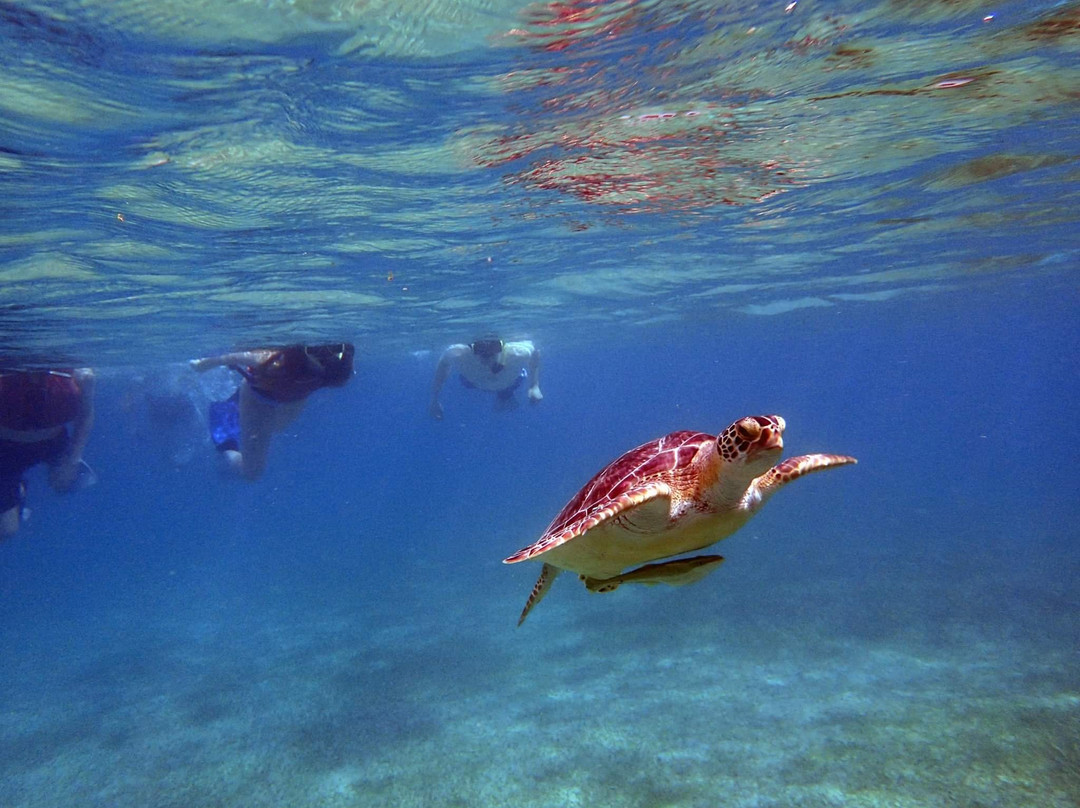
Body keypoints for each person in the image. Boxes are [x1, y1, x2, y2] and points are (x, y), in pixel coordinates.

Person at [189, 343, 354, 480]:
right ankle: (227, 447)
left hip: (292, 400)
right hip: (256, 398)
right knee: (252, 474)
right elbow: (236, 357)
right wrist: (203, 364)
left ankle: (237, 416)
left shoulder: (334, 371)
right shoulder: (274, 360)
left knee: (277, 428)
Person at [0, 367, 95, 539]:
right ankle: (18, 494)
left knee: (66, 483)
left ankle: (17, 489)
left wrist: (73, 459)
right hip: (4, 450)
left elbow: (85, 414)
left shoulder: (70, 370)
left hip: (52, 443)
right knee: (6, 530)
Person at [429, 334, 541, 419]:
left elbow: (535, 353)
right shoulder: (459, 354)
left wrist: (534, 386)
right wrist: (434, 399)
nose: (487, 353)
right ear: (471, 347)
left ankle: (505, 395)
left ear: (502, 346)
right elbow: (444, 362)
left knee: (509, 387)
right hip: (475, 382)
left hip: (510, 383)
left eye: (494, 347)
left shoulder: (518, 352)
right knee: (466, 381)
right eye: (480, 348)